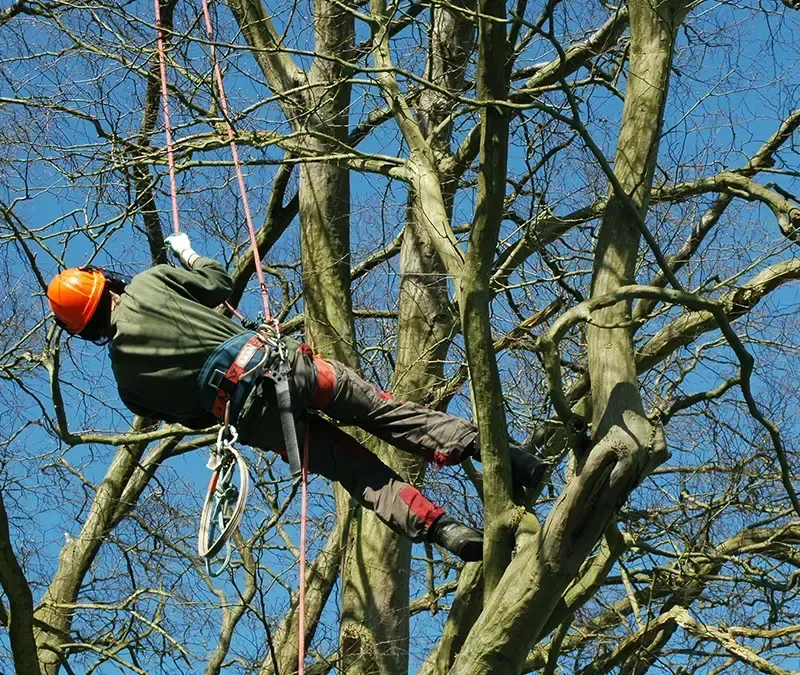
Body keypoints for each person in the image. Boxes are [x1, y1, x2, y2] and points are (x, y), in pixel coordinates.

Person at [47, 233, 546, 561]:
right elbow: (219, 283)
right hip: (286, 368)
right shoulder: (150, 285)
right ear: (105, 282)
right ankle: (507, 456)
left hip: (255, 418)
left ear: (85, 330)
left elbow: (195, 417)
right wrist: (189, 254)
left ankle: (443, 530)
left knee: (360, 475)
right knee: (384, 412)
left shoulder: (128, 384)